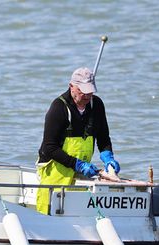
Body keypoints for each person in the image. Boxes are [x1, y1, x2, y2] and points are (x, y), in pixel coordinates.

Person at [35, 67, 121, 214]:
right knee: (50, 211)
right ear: (71, 87)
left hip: (80, 174)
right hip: (55, 171)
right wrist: (77, 164)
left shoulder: (97, 105)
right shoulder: (59, 108)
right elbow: (49, 147)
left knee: (76, 212)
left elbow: (103, 138)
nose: (87, 96)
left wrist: (108, 157)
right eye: (83, 91)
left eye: (90, 91)